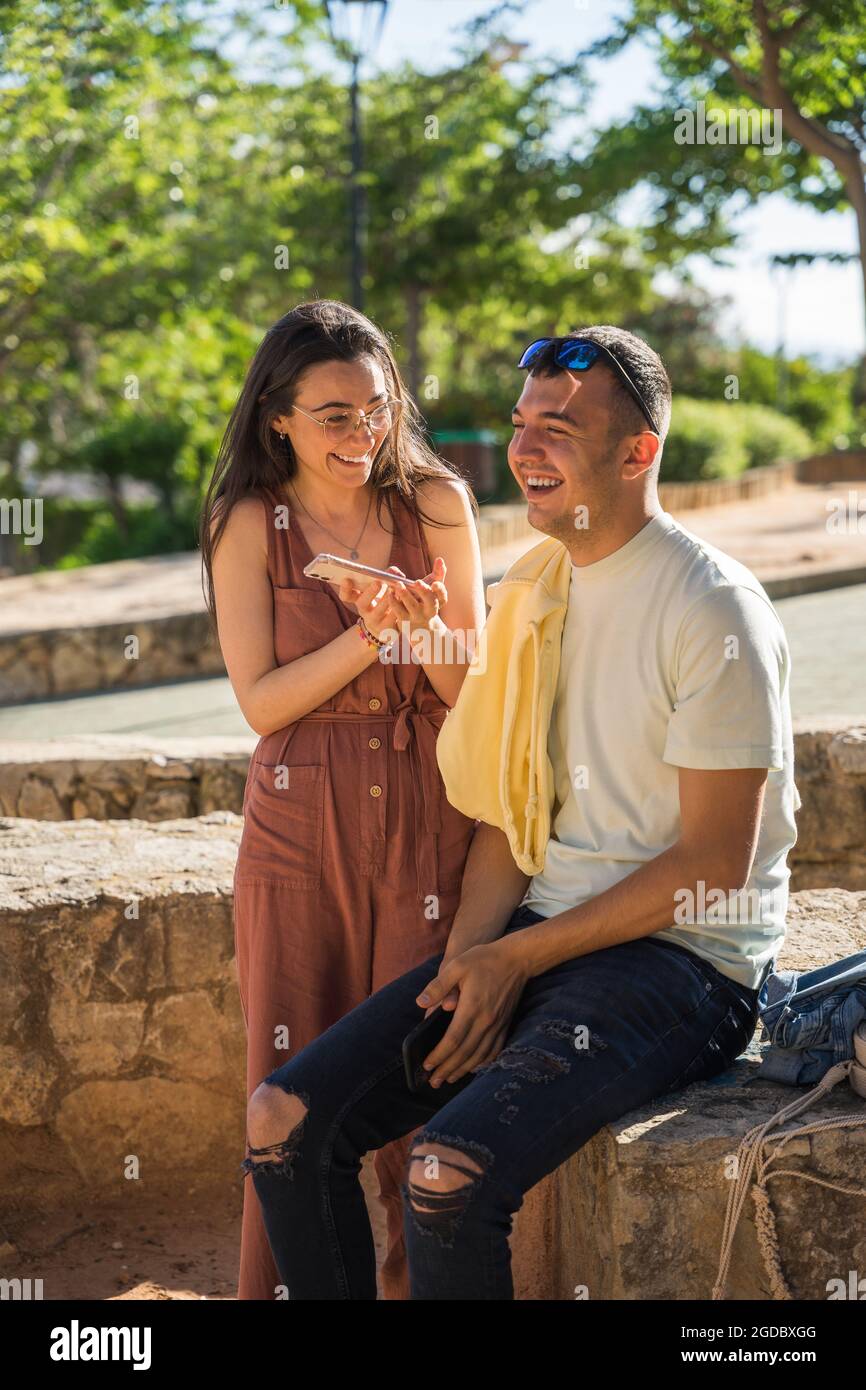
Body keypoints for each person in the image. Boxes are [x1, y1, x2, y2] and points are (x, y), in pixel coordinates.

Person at [240, 324, 800, 1300]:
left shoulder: (710, 607)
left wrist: (514, 961)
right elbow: (511, 806)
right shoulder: (534, 593)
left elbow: (711, 864)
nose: (525, 447)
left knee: (444, 1174)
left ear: (637, 452)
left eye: (562, 426)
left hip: (685, 960)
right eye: (520, 422)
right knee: (284, 1123)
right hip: (543, 931)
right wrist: (469, 957)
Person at [200, 299, 485, 1300]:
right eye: (332, 416)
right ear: (277, 414)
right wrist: (368, 633)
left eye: (376, 408)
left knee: (421, 1081)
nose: (360, 434)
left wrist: (414, 635)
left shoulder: (438, 501)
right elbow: (260, 700)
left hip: (428, 818)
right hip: (295, 831)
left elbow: (473, 688)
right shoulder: (247, 519)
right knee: (284, 1096)